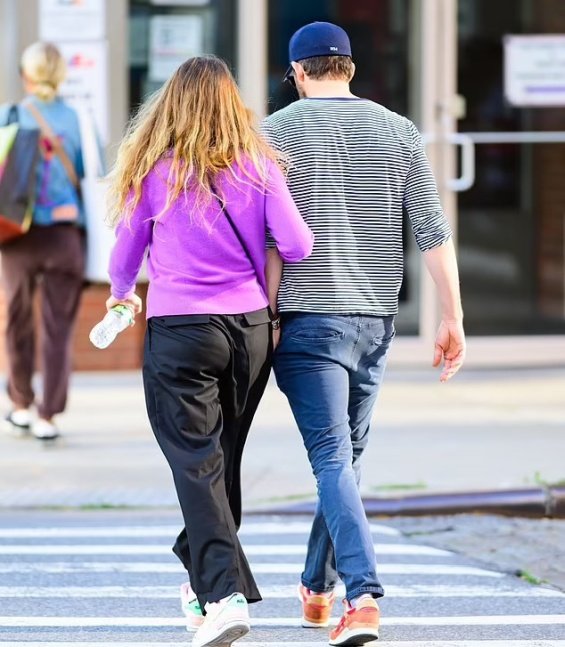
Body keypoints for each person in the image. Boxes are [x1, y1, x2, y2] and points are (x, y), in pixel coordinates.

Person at [262, 21, 466, 646]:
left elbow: (265, 239)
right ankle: (316, 589)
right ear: (350, 68)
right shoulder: (399, 130)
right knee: (343, 461)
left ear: (297, 73)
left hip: (305, 321)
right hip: (375, 321)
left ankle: (364, 596)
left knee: (332, 460)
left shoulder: (271, 133)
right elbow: (431, 228)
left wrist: (262, 316)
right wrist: (453, 315)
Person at [106, 55, 313, 647]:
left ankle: (220, 597)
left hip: (180, 330)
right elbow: (297, 243)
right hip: (248, 327)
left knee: (199, 465)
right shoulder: (258, 165)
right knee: (218, 461)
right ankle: (203, 578)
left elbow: (124, 256)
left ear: (169, 106)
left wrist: (122, 297)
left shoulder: (154, 169)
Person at [0, 42, 85, 441]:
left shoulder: (10, 115)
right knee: (58, 328)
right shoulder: (78, 118)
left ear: (27, 75)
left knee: (15, 322)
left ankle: (20, 403)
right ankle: (48, 416)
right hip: (64, 235)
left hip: (17, 235)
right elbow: (89, 173)